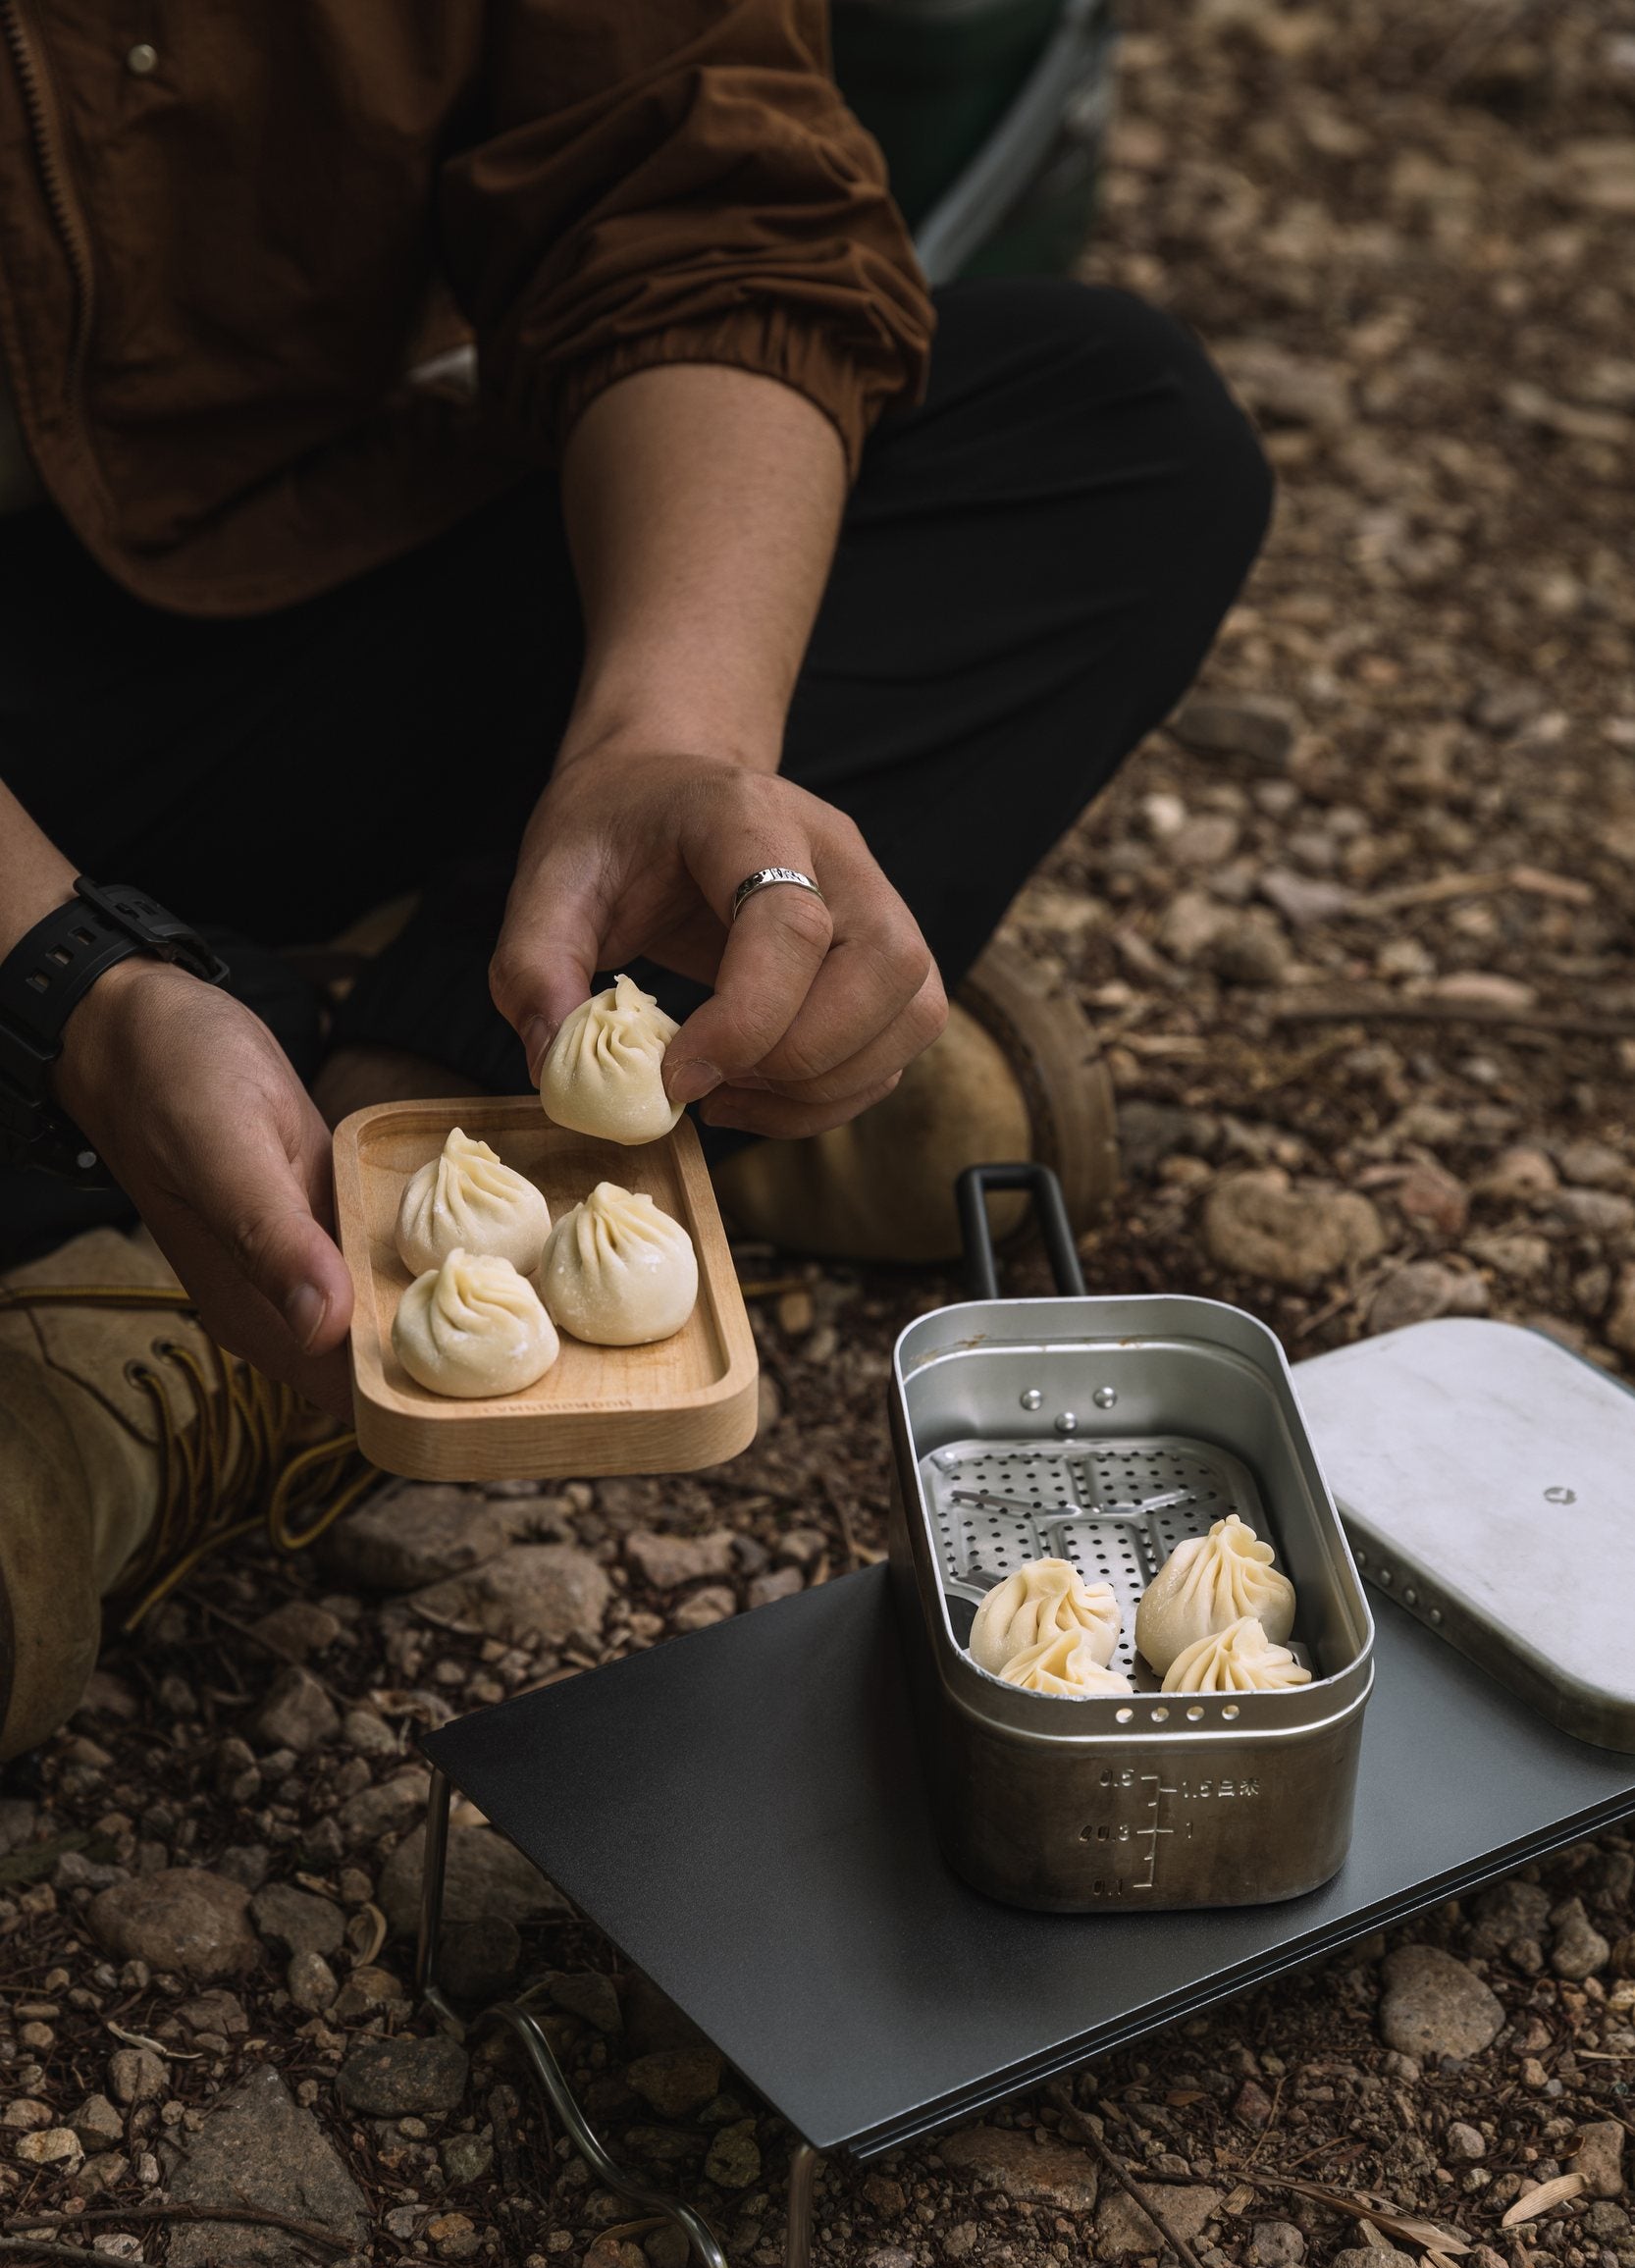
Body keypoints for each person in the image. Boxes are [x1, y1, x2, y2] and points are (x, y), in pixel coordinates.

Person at [0, 2, 1271, 1759]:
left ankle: (408, 1143)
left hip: (262, 583)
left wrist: (668, 747)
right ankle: (189, 1256)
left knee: (1106, 425)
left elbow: (684, 174)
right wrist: (67, 983)